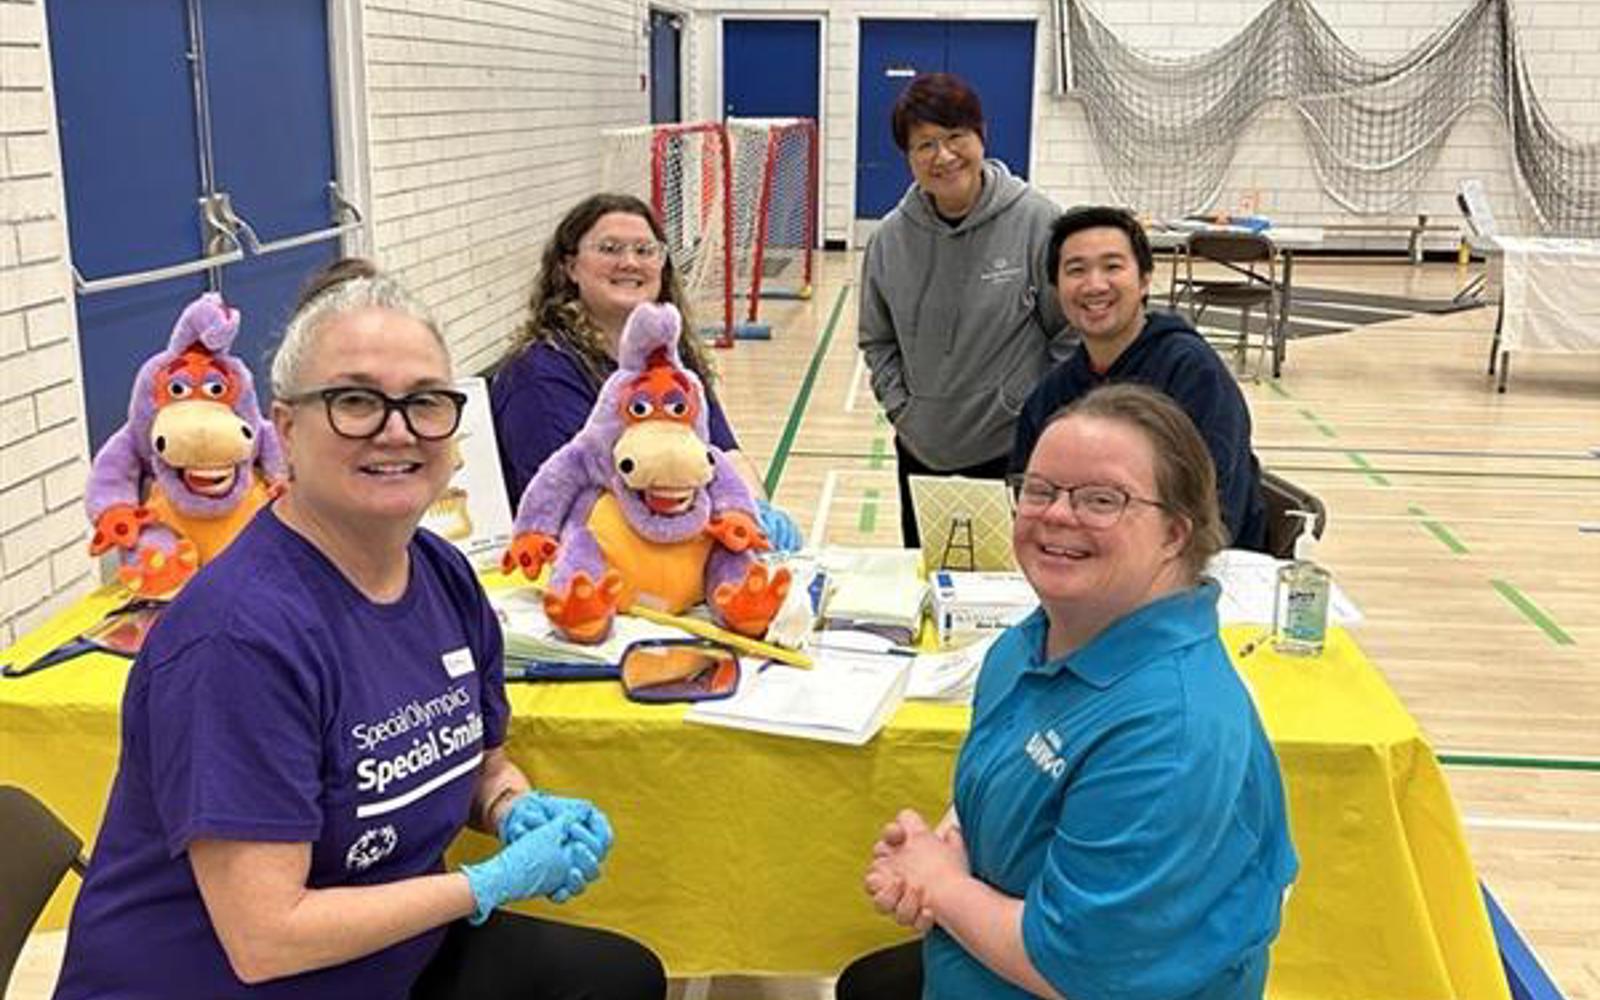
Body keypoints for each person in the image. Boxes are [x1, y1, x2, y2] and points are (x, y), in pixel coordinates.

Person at [53, 259, 666, 1000]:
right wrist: (485, 885)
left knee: (622, 977)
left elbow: (481, 765)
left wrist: (512, 809)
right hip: (229, 981)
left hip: (384, 956)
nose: (397, 430)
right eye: (354, 401)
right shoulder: (239, 640)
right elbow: (267, 938)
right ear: (284, 429)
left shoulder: (443, 576)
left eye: (425, 402)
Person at [840, 383, 1297, 1000]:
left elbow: (1077, 971)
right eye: (1039, 489)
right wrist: (942, 849)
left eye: (1102, 499)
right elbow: (1005, 790)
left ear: (1174, 534)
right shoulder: (1033, 641)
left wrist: (942, 887)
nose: (1056, 514)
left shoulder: (1171, 734)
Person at [491, 193, 800, 551]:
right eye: (609, 249)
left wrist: (754, 517)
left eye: (644, 250)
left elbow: (725, 454)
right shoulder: (538, 375)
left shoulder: (670, 360)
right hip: (589, 560)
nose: (629, 262)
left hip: (682, 542)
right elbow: (574, 503)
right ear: (570, 267)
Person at [857, 72, 1071, 548]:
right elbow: (877, 339)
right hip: (922, 450)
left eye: (955, 136)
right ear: (908, 156)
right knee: (930, 575)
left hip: (1013, 451)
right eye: (925, 144)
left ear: (981, 136)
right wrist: (904, 412)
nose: (944, 156)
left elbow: (1068, 334)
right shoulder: (888, 240)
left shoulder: (1038, 221)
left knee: (1013, 581)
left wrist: (1035, 412)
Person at [1011, 205, 1268, 551]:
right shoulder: (1051, 395)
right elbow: (1027, 500)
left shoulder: (1193, 373)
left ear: (1145, 280)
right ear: (1056, 290)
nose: (1094, 285)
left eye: (1112, 266)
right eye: (1076, 270)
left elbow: (1214, 513)